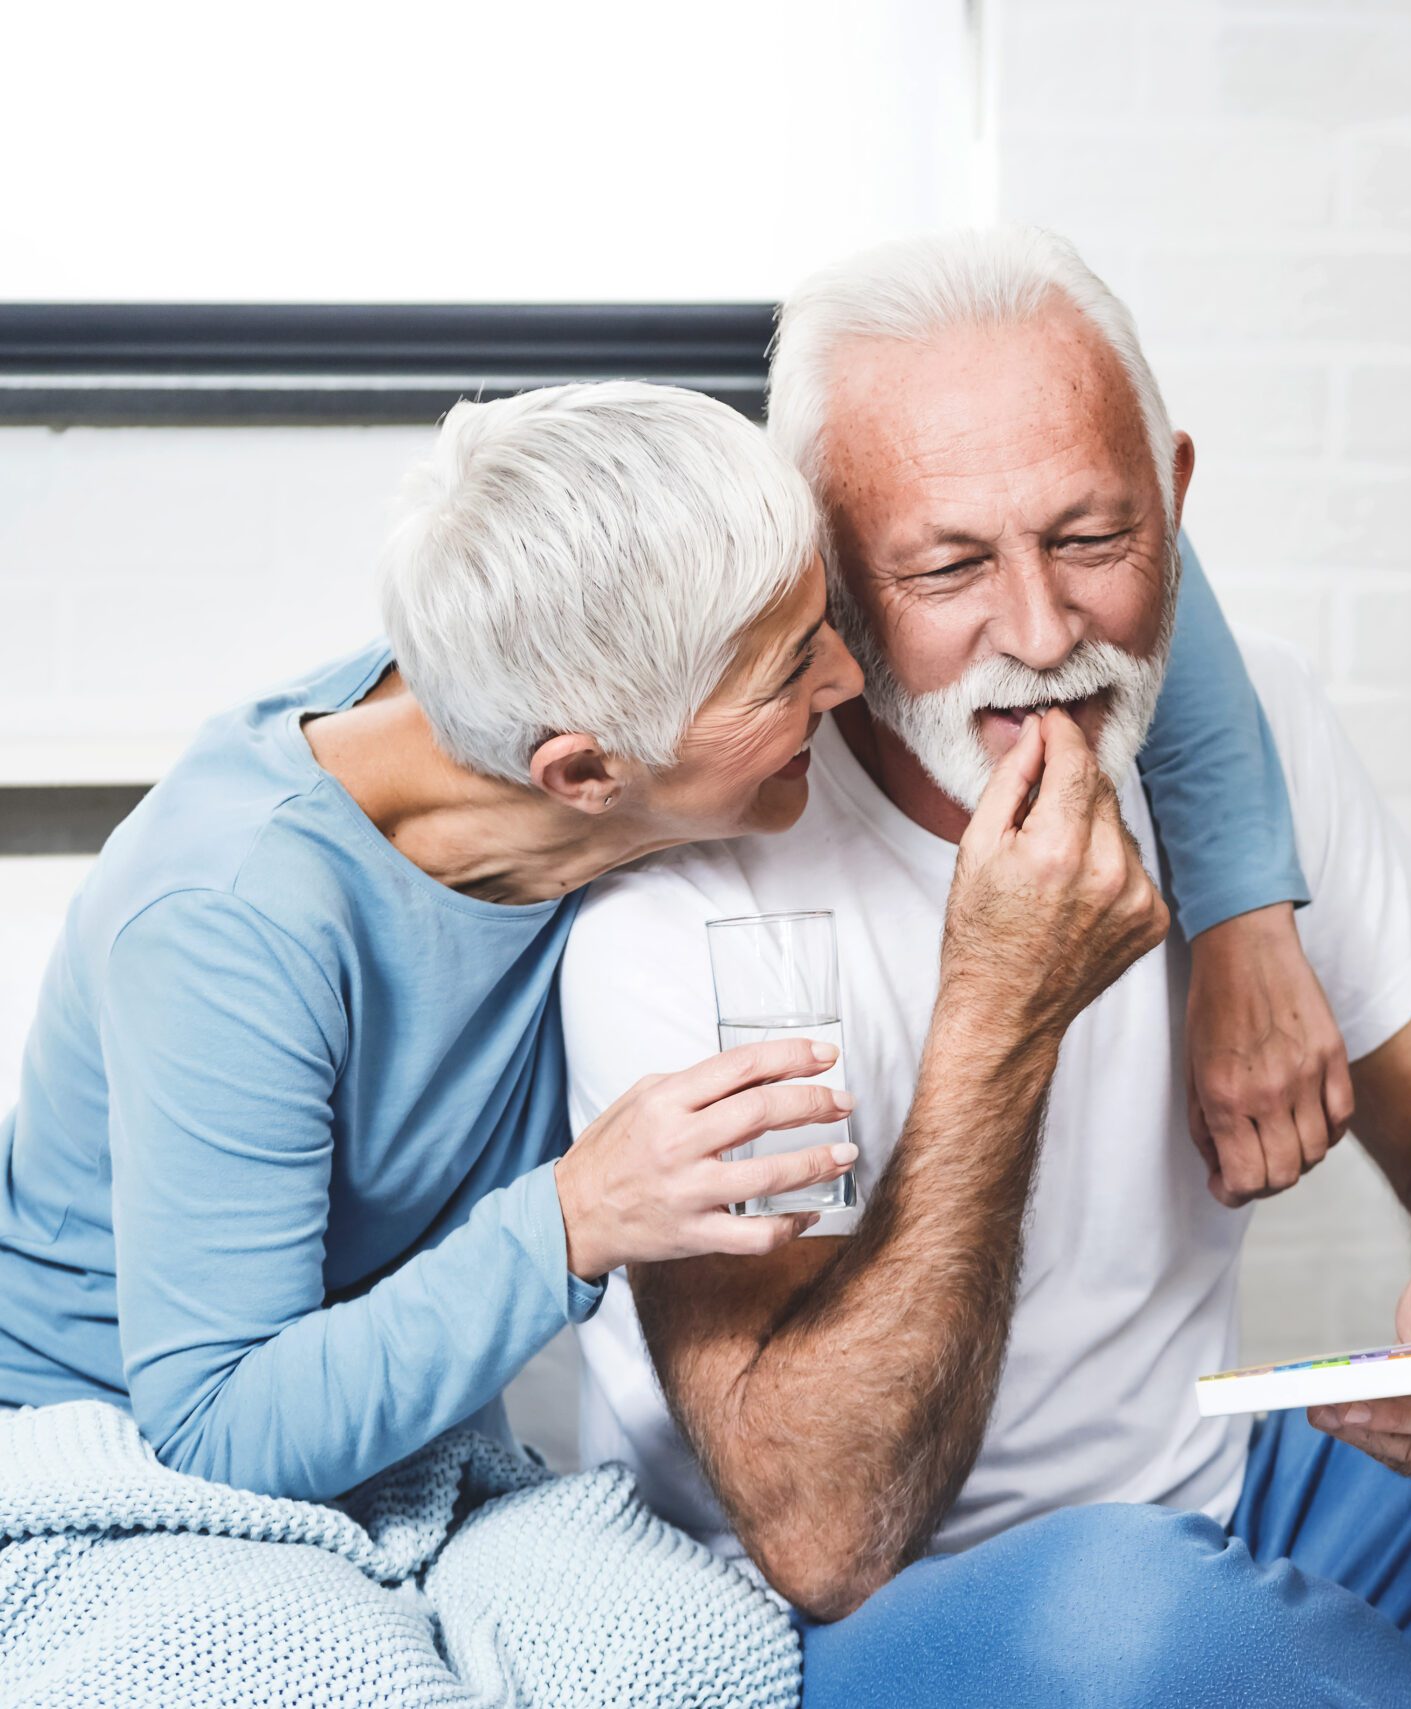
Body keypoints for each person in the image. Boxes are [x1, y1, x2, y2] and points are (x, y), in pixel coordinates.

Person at [562, 227, 1411, 1708]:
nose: (1041, 634)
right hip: (873, 1635)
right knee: (1133, 1617)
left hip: (1221, 1520)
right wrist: (1003, 1011)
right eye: (949, 566)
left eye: (1093, 539)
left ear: (1173, 494)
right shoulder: (685, 888)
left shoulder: (1248, 735)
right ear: (832, 571)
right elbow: (821, 1534)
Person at [0, 377, 1341, 1503]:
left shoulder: (590, 607)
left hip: (413, 1443)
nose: (850, 675)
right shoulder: (229, 925)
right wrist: (575, 1219)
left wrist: (1245, 923)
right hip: (113, 1440)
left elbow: (1132, 539)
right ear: (584, 771)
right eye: (789, 673)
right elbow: (216, 1422)